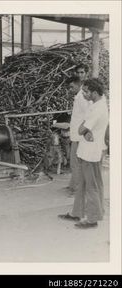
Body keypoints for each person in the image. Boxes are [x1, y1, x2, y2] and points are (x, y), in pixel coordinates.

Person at [58, 79, 109, 229]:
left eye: (86, 91)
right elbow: (84, 129)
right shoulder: (97, 104)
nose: (84, 94)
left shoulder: (98, 108)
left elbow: (81, 129)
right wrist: (85, 128)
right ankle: (77, 212)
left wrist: (84, 128)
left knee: (91, 185)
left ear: (94, 92)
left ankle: (93, 218)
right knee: (83, 183)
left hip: (91, 152)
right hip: (87, 149)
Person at [67, 70, 90, 194]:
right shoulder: (78, 96)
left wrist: (83, 131)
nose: (70, 89)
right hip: (76, 135)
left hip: (79, 136)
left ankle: (76, 189)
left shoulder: (81, 97)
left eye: (72, 87)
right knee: (76, 163)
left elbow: (88, 115)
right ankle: (74, 184)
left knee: (75, 163)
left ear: (78, 85)